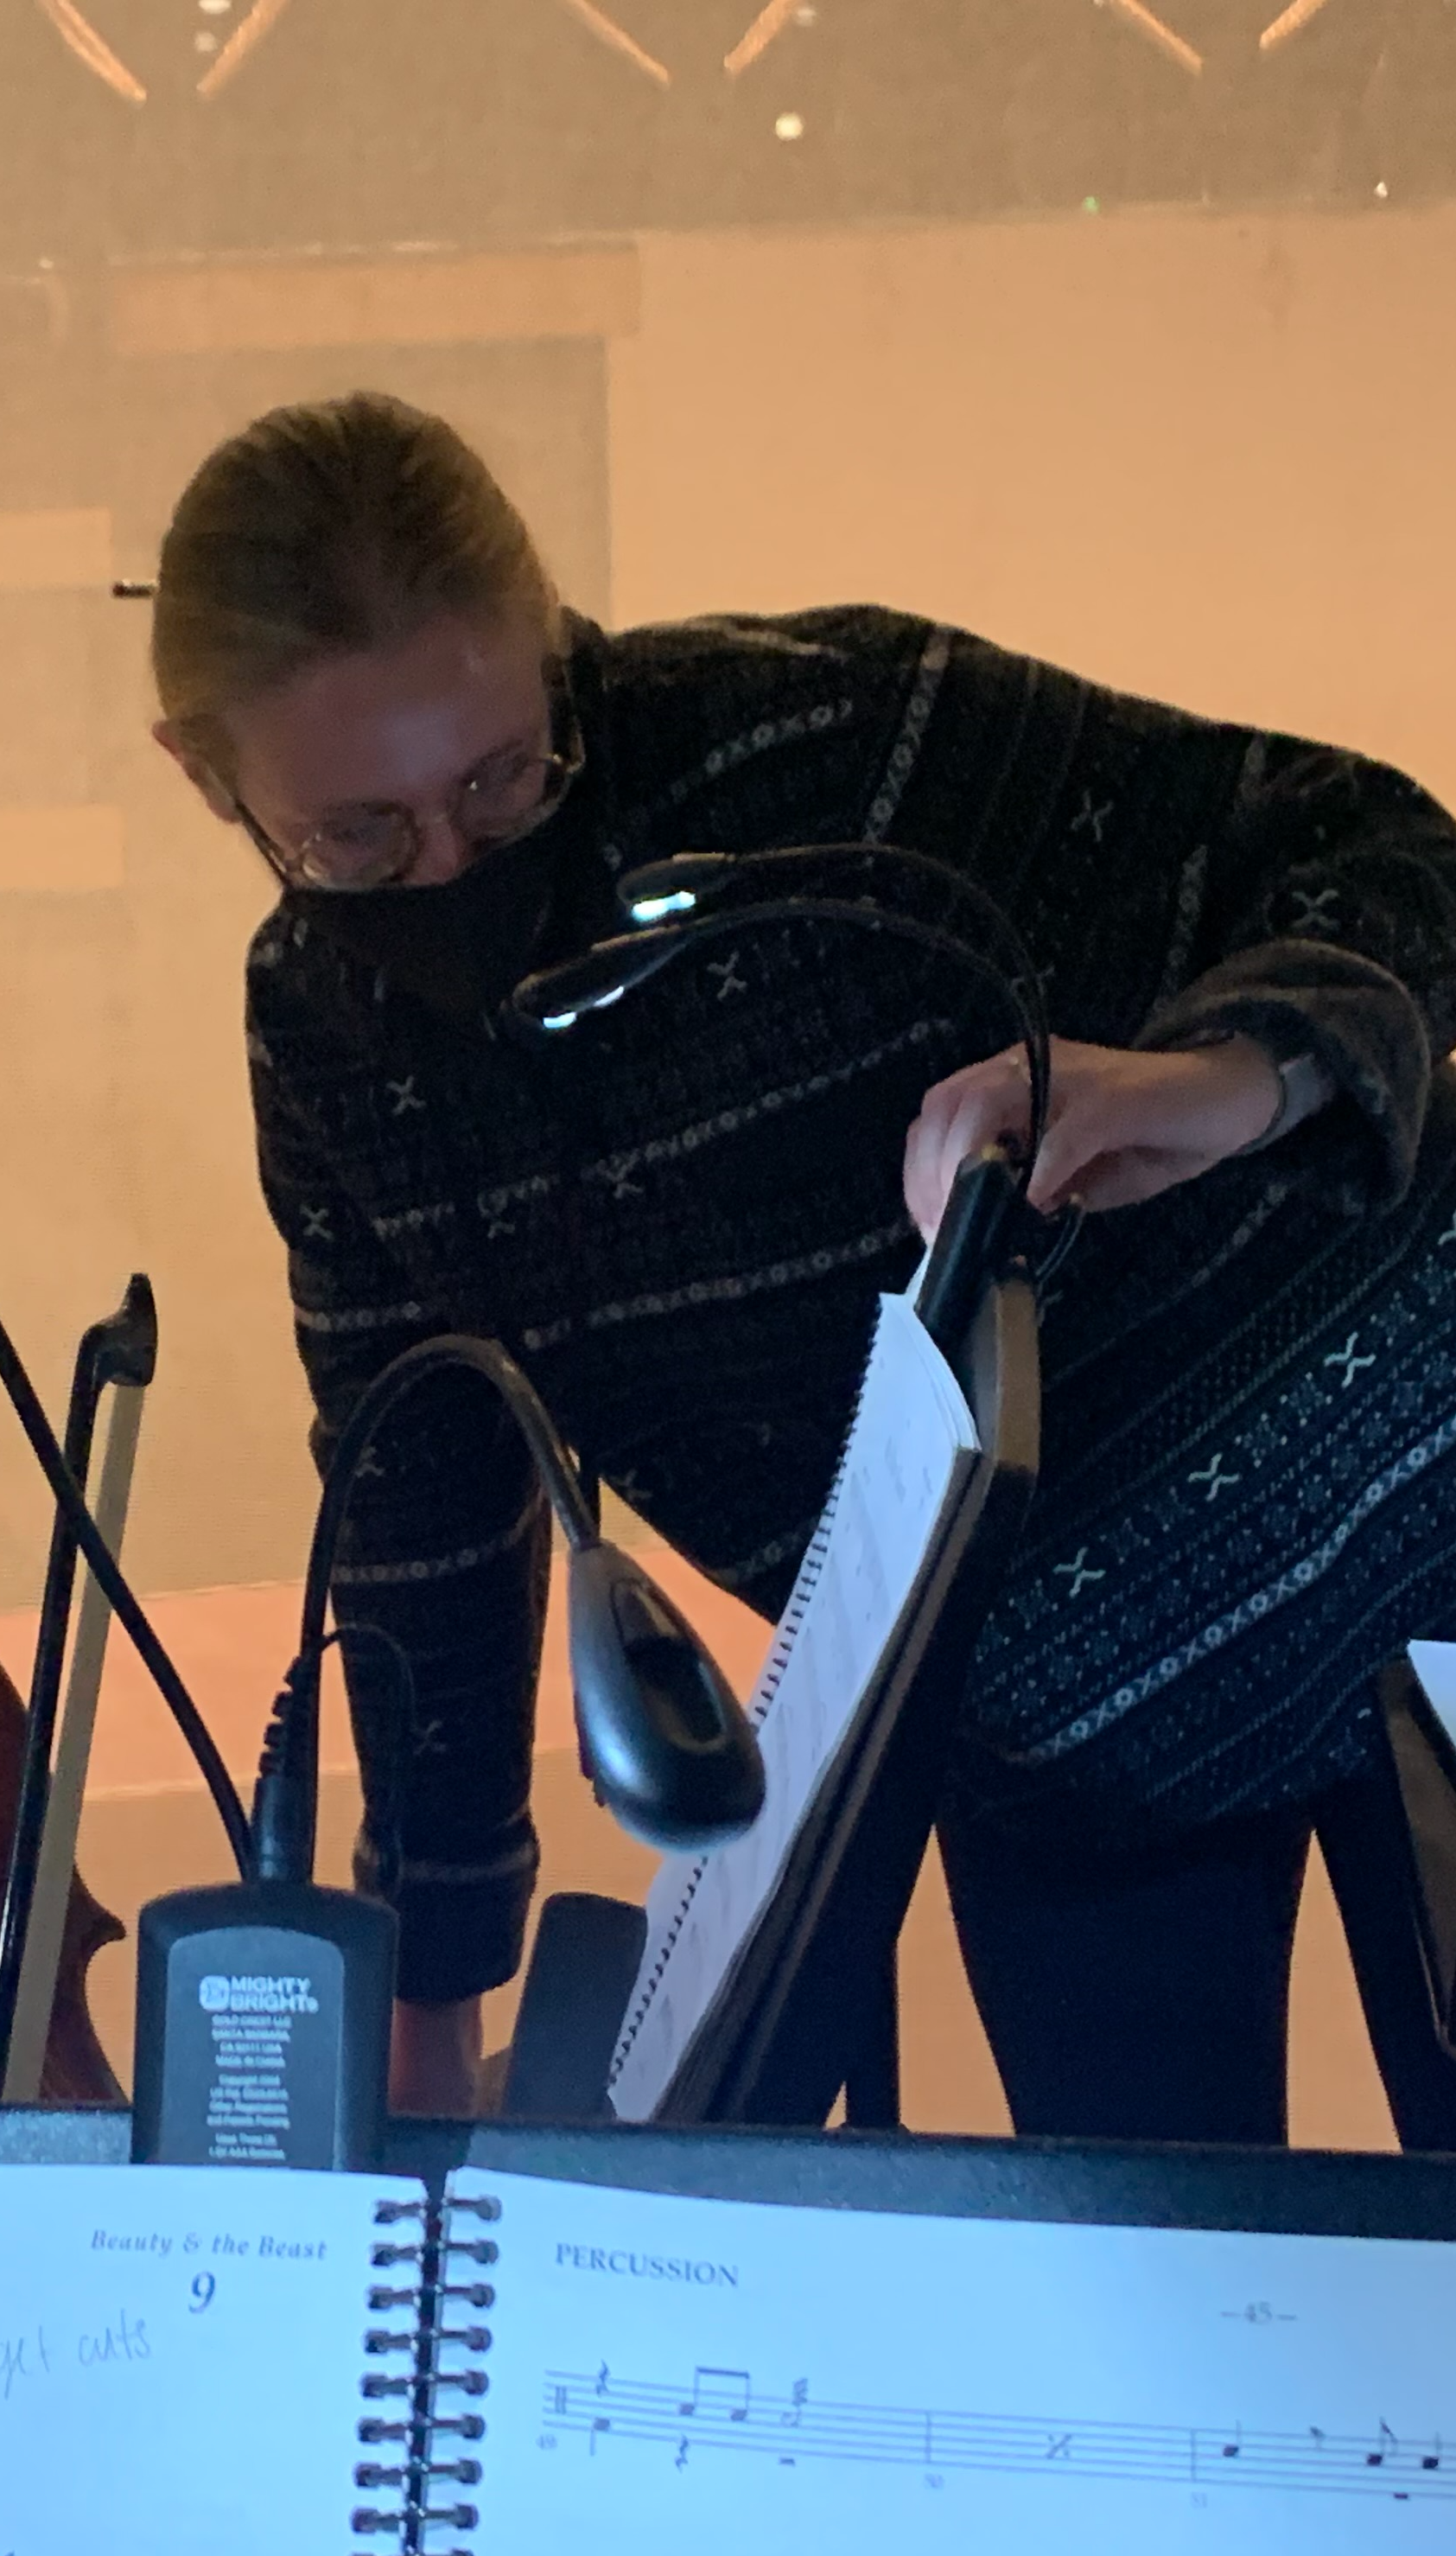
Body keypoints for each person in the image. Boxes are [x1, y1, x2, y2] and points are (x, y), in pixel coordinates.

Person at [151, 391, 1456, 2145]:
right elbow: (425, 1512)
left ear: (550, 650)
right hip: (1058, 1728)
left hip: (1411, 1516)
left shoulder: (832, 741)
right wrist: (428, 2006)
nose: (455, 863)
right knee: (1187, 2326)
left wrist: (1234, 1077)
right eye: (358, 840)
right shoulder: (326, 1042)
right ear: (202, 773)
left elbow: (1377, 840)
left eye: (500, 777)